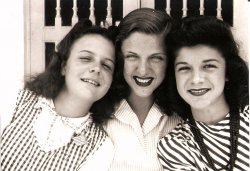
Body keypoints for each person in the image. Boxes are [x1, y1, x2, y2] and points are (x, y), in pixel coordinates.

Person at [1, 19, 118, 171]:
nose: (96, 68)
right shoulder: (15, 101)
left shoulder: (100, 147)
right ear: (64, 66)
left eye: (106, 65)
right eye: (85, 58)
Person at [157, 16, 249, 171]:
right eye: (184, 68)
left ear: (227, 71)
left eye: (208, 66)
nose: (196, 79)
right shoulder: (175, 146)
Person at [104, 8, 181, 171]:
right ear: (119, 57)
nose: (143, 70)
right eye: (132, 56)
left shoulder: (182, 118)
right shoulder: (97, 114)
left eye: (156, 58)